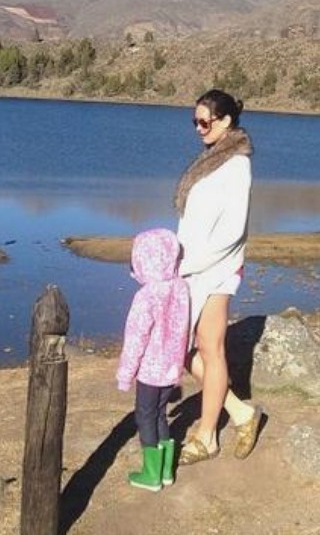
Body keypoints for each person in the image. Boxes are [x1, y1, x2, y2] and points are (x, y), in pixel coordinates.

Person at [174, 88, 264, 465]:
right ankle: (241, 413)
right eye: (194, 121)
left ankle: (207, 436)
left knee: (209, 349)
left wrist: (189, 265)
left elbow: (232, 231)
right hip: (192, 267)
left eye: (204, 121)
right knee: (179, 347)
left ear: (226, 121)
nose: (198, 128)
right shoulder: (212, 159)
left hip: (215, 269)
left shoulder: (236, 165)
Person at [116, 227, 191, 491]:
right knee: (160, 414)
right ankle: (166, 471)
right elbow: (186, 327)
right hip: (172, 367)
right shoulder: (181, 287)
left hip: (151, 370)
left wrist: (125, 375)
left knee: (145, 416)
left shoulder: (146, 296)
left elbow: (135, 339)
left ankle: (151, 475)